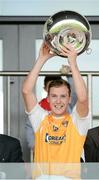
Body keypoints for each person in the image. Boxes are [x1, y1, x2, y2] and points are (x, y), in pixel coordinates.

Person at [22, 42, 89, 178]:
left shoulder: (77, 121)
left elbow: (83, 98)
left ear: (70, 99)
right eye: (54, 96)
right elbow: (26, 91)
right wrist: (41, 59)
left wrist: (73, 63)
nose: (58, 101)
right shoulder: (40, 118)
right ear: (48, 98)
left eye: (63, 96)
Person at [25, 75, 62, 150]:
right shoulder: (39, 107)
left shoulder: (68, 105)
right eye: (50, 87)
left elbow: (78, 97)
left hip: (64, 149)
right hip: (44, 149)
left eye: (56, 87)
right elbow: (30, 126)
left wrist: (71, 75)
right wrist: (34, 145)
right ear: (45, 88)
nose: (53, 90)